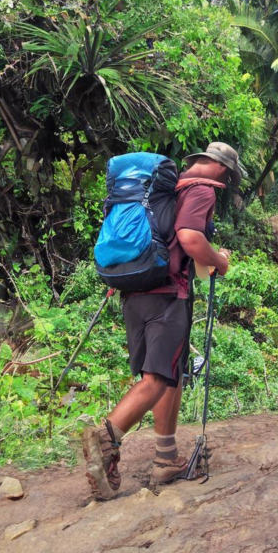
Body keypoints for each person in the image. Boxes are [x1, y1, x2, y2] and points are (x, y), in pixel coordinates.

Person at [81, 142, 243, 500]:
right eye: (229, 176)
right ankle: (106, 438)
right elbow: (189, 238)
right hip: (168, 296)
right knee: (157, 378)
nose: (227, 183)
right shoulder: (201, 188)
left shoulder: (165, 190)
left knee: (170, 374)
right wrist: (221, 259)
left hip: (134, 291)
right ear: (220, 169)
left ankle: (166, 459)